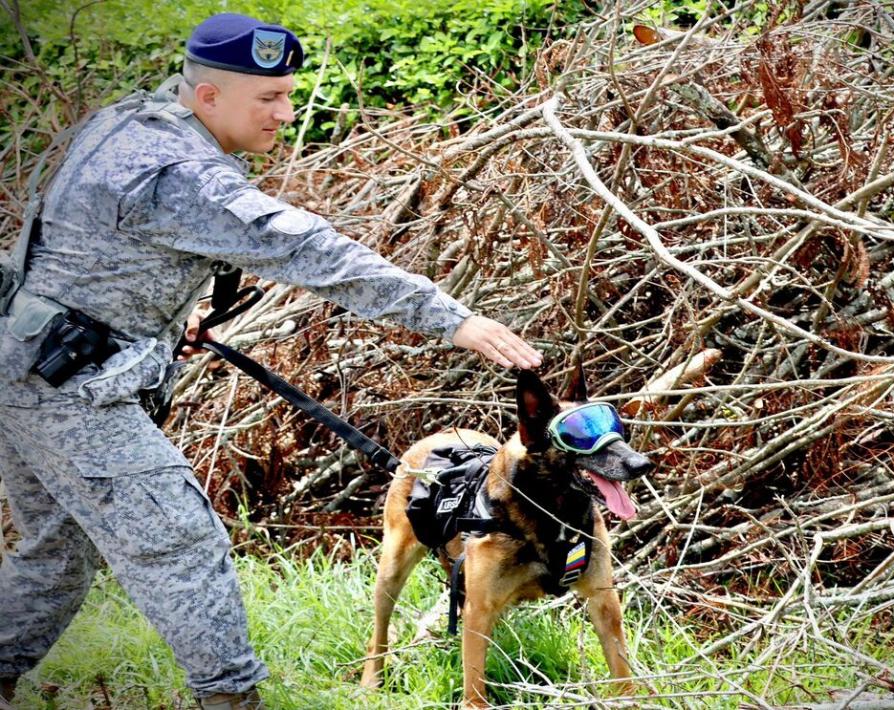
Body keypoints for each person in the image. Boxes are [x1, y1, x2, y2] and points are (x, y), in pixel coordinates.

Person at [0, 13, 541, 710]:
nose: (285, 113)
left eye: (288, 94)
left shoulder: (130, 120)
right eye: (268, 99)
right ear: (209, 98)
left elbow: (76, 238)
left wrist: (154, 322)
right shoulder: (180, 173)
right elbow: (312, 252)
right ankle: (232, 699)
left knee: (57, 546)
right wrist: (453, 318)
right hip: (72, 390)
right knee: (181, 540)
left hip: (27, 361)